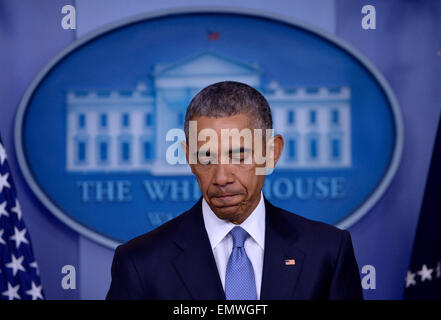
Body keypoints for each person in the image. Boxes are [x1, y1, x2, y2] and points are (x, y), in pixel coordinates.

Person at [106, 81, 363, 300]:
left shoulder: (328, 252)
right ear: (188, 158)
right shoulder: (140, 262)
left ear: (271, 153)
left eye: (238, 156)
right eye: (206, 158)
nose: (221, 177)